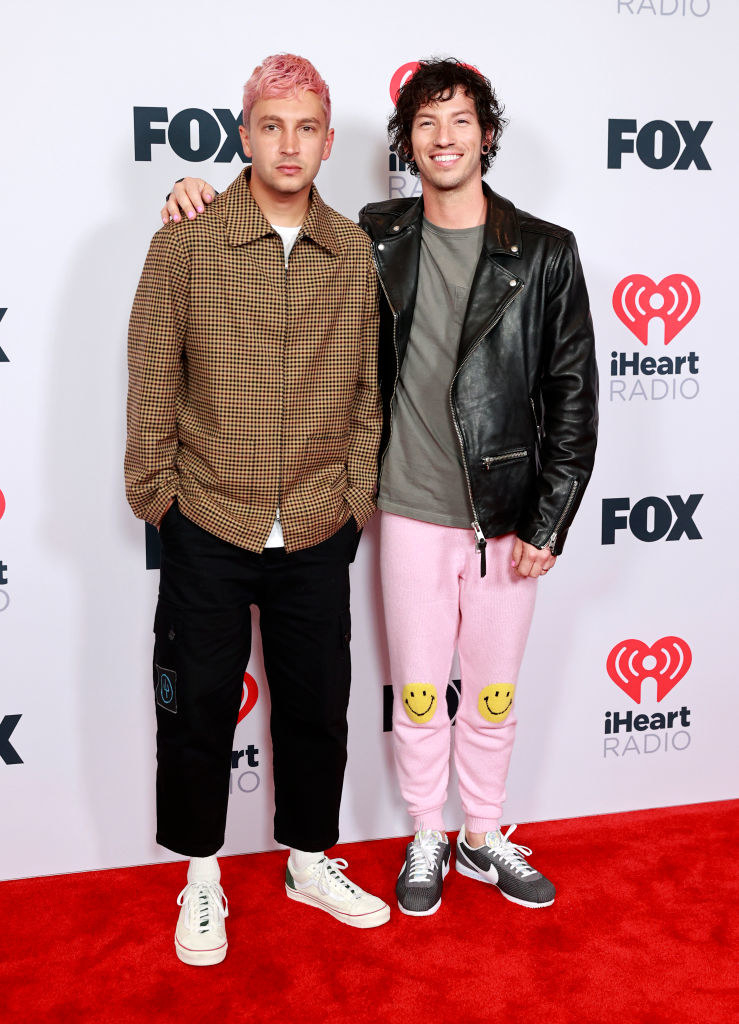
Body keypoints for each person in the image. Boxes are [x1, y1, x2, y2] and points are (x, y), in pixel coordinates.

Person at [162, 58, 598, 919]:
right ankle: (427, 834)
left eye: (461, 120)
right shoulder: (374, 234)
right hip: (403, 508)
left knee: (495, 688)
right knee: (421, 690)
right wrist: (192, 190)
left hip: (506, 516)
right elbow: (275, 215)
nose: (444, 137)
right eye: (427, 123)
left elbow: (573, 395)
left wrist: (551, 515)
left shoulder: (545, 251)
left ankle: (484, 833)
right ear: (405, 143)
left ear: (485, 134)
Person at [126, 53, 387, 968]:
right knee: (197, 708)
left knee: (318, 706)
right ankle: (200, 879)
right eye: (270, 125)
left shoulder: (353, 251)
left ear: (326, 139)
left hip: (318, 518)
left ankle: (309, 860)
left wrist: (354, 501)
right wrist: (155, 499)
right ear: (243, 133)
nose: (289, 143)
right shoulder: (186, 242)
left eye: (306, 127)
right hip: (206, 516)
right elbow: (152, 379)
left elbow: (368, 393)